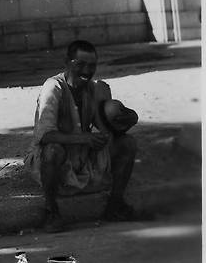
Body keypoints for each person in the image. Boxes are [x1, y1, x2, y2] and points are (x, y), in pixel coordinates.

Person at [24, 39, 138, 232]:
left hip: (82, 157)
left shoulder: (93, 89)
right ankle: (51, 211)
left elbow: (104, 129)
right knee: (52, 150)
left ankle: (115, 205)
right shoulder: (53, 87)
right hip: (54, 159)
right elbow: (44, 135)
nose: (86, 71)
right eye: (80, 64)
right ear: (67, 63)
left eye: (92, 66)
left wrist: (119, 120)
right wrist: (85, 138)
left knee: (128, 143)